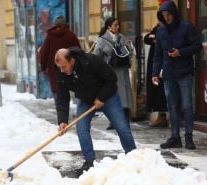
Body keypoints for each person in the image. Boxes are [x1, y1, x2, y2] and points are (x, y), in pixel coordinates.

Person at [55, 47, 136, 176]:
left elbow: (111, 78)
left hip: (108, 97)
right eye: (59, 67)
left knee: (121, 127)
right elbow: (62, 98)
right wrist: (62, 120)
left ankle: (133, 157)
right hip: (86, 100)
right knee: (81, 128)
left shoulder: (91, 61)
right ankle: (89, 161)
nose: (62, 70)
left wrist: (101, 97)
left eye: (64, 66)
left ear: (72, 60)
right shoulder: (61, 72)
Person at [152, 1, 202, 150]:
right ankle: (175, 137)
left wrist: (180, 52)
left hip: (184, 72)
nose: (166, 18)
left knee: (187, 106)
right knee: (172, 106)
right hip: (168, 74)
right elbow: (157, 54)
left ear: (174, 13)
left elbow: (197, 46)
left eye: (168, 15)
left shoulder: (186, 27)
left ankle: (188, 137)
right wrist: (155, 73)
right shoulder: (161, 31)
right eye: (164, 16)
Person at [93, 17, 133, 130]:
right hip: (110, 73)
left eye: (118, 24)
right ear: (109, 26)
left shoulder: (122, 38)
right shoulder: (101, 40)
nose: (118, 27)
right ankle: (113, 121)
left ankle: (125, 122)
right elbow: (97, 57)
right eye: (115, 25)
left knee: (125, 98)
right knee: (112, 97)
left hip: (122, 72)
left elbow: (128, 53)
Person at [39, 15, 80, 102]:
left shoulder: (50, 37)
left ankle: (61, 113)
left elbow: (43, 53)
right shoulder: (71, 35)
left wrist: (43, 68)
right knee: (70, 91)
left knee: (58, 96)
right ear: (65, 24)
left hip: (54, 70)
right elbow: (78, 52)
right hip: (70, 70)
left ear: (55, 24)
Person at [144, 23, 168, 127]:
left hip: (166, 62)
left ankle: (167, 118)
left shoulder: (172, 28)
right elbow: (146, 38)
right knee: (157, 90)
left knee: (165, 91)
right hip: (155, 63)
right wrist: (154, 38)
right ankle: (161, 116)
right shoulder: (157, 28)